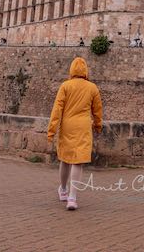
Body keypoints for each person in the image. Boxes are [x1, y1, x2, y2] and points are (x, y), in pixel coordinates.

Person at [47, 57, 103, 211]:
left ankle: (63, 190)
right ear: (85, 70)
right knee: (77, 162)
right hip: (83, 126)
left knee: (65, 159)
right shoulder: (92, 88)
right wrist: (98, 126)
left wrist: (51, 131)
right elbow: (97, 111)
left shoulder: (65, 86)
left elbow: (57, 110)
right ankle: (72, 198)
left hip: (67, 126)